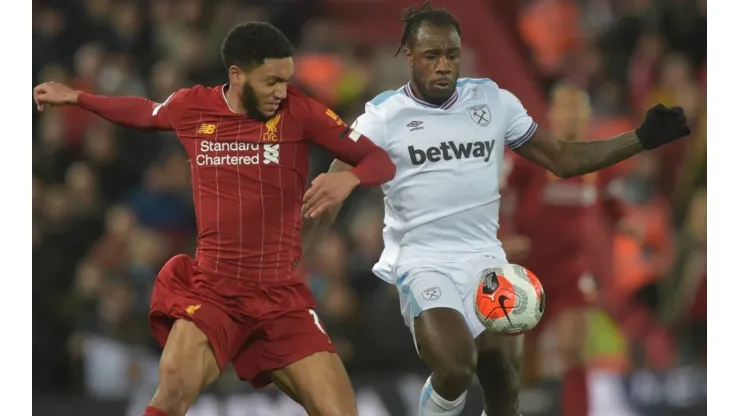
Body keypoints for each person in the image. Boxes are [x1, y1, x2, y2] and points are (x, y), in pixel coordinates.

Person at [325, 3, 690, 416]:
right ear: (409, 57)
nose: (444, 65)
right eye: (432, 56)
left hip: (486, 260)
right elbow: (335, 178)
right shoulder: (384, 115)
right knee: (456, 367)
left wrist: (640, 138)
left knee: (503, 381)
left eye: (452, 55)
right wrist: (315, 244)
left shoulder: (493, 102)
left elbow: (563, 159)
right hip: (424, 262)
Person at [33, 22, 396, 416]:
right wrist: (79, 98)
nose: (281, 90)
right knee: (171, 391)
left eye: (286, 79)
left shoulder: (300, 111)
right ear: (237, 75)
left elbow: (379, 159)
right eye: (271, 80)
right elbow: (143, 112)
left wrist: (348, 180)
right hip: (214, 291)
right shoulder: (194, 107)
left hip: (280, 297)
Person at [500, 83, 626, 416]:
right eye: (565, 108)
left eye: (578, 108)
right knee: (525, 353)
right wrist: (506, 236)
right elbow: (500, 196)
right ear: (551, 115)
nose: (572, 116)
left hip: (572, 268)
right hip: (530, 267)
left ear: (586, 115)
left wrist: (626, 223)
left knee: (573, 346)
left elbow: (612, 199)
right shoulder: (528, 156)